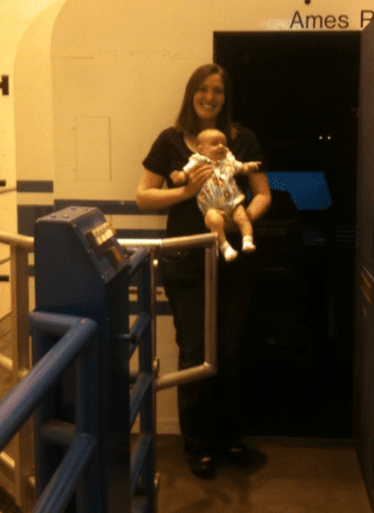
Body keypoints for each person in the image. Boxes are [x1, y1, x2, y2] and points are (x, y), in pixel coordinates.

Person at [136, 63, 271, 479]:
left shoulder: (241, 139)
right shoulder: (171, 142)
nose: (210, 97)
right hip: (187, 264)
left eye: (218, 91)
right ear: (190, 94)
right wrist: (188, 192)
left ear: (226, 98)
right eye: (202, 90)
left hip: (233, 263)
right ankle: (198, 446)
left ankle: (231, 438)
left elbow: (263, 193)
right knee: (194, 351)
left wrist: (242, 216)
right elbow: (143, 197)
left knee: (228, 352)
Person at [177, 128, 261, 261]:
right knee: (215, 221)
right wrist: (180, 176)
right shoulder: (198, 161)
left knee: (242, 217)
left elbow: (242, 168)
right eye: (215, 143)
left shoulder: (229, 160)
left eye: (224, 143)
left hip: (233, 201)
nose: (221, 146)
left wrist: (249, 166)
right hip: (211, 207)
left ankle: (247, 240)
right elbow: (185, 172)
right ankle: (224, 246)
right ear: (201, 149)